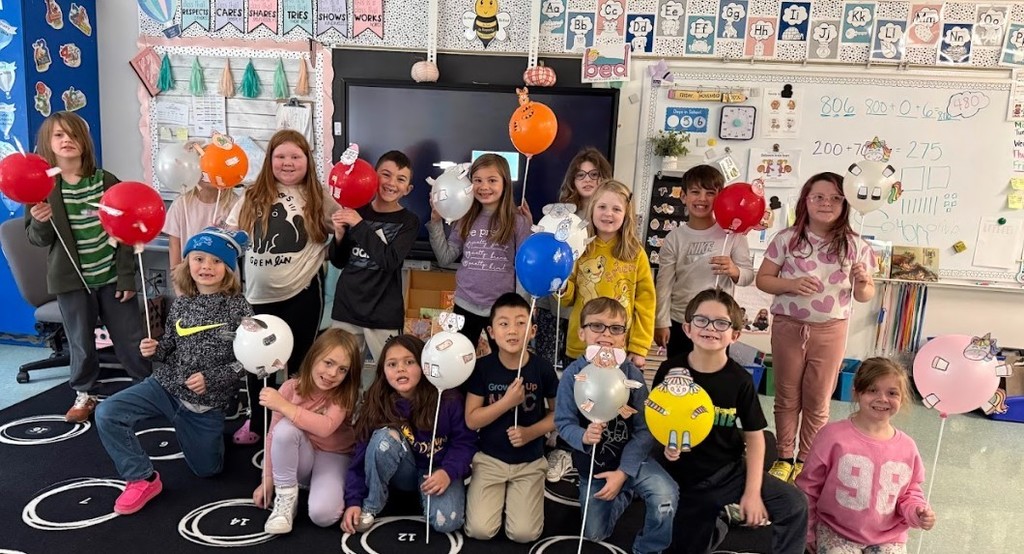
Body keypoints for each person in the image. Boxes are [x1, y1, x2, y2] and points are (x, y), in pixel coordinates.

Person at [94, 227, 252, 515]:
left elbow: (249, 361)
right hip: (164, 387)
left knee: (208, 471)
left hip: (203, 406)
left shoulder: (240, 309)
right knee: (107, 413)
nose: (206, 267)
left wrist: (212, 378)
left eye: (216, 261)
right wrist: (156, 348)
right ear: (187, 262)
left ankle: (195, 434)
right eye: (199, 258)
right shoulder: (181, 303)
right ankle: (142, 478)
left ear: (229, 269)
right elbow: (170, 345)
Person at [652, 289, 807, 554]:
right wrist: (666, 444)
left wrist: (752, 491)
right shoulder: (670, 371)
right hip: (687, 479)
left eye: (721, 323)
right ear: (688, 329)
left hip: (729, 470)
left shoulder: (740, 380)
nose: (710, 328)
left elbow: (756, 436)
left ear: (735, 335)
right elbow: (657, 417)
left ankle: (725, 512)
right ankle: (721, 520)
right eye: (702, 320)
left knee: (795, 505)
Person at [26, 111, 151, 423]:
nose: (67, 140)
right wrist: (42, 222)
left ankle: (147, 388)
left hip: (111, 277)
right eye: (59, 135)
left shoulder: (106, 182)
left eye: (74, 134)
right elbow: (37, 238)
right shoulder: (42, 187)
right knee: (81, 342)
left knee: (130, 339)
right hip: (71, 282)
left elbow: (127, 233)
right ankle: (85, 392)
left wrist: (126, 277)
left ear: (85, 142)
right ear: (48, 143)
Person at [756, 172, 876, 483]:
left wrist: (863, 283)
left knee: (818, 398)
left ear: (846, 204)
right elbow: (764, 279)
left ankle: (808, 459)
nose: (826, 203)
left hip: (831, 330)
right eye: (818, 197)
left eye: (836, 198)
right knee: (786, 395)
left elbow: (864, 295)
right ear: (805, 201)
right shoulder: (787, 239)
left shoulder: (856, 246)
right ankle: (784, 455)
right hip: (788, 326)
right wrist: (791, 284)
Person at [226, 129, 339, 446]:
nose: (287, 163)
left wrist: (345, 226)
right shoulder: (251, 195)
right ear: (269, 160)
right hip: (257, 298)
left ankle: (294, 423)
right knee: (255, 363)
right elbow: (233, 235)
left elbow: (341, 229)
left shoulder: (318, 197)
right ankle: (258, 422)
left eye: (295, 157)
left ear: (307, 160)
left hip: (301, 294)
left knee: (299, 363)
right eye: (280, 156)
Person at [554, 297, 678, 554]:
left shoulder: (632, 375)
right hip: (595, 466)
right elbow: (563, 423)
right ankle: (624, 494)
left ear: (624, 336)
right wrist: (584, 436)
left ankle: (649, 548)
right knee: (595, 533)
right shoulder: (572, 376)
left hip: (633, 461)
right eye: (597, 326)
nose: (606, 335)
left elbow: (645, 430)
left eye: (615, 328)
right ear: (581, 332)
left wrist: (624, 472)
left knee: (666, 495)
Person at [796, 357, 936, 553]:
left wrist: (917, 512)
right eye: (872, 390)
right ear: (856, 392)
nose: (882, 398)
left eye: (892, 393)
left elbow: (910, 493)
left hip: (889, 537)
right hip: (836, 531)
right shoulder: (832, 436)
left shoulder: (907, 447)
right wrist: (807, 531)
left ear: (902, 398)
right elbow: (808, 488)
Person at [341, 335, 477, 534]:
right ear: (383, 371)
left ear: (425, 365)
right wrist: (354, 501)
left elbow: (465, 443)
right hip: (401, 471)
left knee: (447, 522)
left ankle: (425, 498)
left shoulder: (448, 398)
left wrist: (448, 472)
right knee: (383, 440)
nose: (400, 369)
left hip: (437, 471)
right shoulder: (377, 400)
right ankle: (373, 503)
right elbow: (360, 455)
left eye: (409, 362)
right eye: (392, 364)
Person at [463, 293, 558, 543]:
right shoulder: (483, 368)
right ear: (491, 332)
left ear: (533, 330)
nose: (512, 330)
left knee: (523, 534)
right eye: (503, 324)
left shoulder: (543, 369)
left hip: (529, 462)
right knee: (479, 530)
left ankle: (524, 494)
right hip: (489, 460)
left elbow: (558, 415)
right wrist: (506, 403)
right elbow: (472, 420)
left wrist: (530, 433)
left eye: (520, 323)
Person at [252, 328, 362, 534]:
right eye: (328, 363)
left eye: (342, 369)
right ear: (313, 357)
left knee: (323, 516)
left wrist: (283, 406)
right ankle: (285, 498)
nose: (332, 374)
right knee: (284, 430)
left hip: (333, 455)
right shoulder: (289, 388)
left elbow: (325, 427)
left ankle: (308, 487)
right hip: (300, 459)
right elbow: (272, 436)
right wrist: (267, 480)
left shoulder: (345, 393)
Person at [329, 150, 419, 387]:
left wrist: (358, 225)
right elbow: (338, 261)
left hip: (383, 313)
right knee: (342, 377)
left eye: (400, 179)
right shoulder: (355, 209)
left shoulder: (408, 222)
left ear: (408, 189)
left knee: (388, 379)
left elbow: (389, 260)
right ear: (372, 177)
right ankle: (342, 421)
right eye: (385, 175)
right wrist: (339, 236)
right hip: (347, 309)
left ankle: (383, 421)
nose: (391, 183)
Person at [427, 153, 531, 354]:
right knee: (460, 360)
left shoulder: (518, 221)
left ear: (505, 183)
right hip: (465, 305)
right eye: (477, 181)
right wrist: (436, 221)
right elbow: (445, 257)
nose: (484, 187)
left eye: (492, 180)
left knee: (506, 363)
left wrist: (519, 309)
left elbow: (524, 268)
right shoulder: (464, 217)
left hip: (503, 309)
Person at [654, 165, 754, 359]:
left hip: (718, 323)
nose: (702, 199)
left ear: (721, 197)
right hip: (681, 321)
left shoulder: (733, 235)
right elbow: (663, 285)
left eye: (710, 193)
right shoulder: (675, 237)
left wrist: (734, 271)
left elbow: (747, 276)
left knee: (711, 378)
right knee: (679, 377)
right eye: (695, 192)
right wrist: (660, 322)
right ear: (683, 196)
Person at [560, 180, 655, 369]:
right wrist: (561, 285)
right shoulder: (579, 247)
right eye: (602, 206)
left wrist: (638, 347)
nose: (608, 213)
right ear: (592, 209)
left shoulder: (635, 254)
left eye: (616, 209)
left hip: (619, 348)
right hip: (581, 346)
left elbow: (646, 304)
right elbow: (566, 300)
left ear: (626, 214)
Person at [534, 147, 611, 369]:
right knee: (547, 369)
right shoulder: (561, 214)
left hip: (591, 307)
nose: (587, 180)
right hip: (556, 304)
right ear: (572, 179)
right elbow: (546, 257)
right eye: (580, 174)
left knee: (582, 372)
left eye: (593, 174)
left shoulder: (610, 215)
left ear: (603, 177)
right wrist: (539, 300)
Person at [164, 172, 238, 270]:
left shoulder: (235, 204)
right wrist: (177, 280)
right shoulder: (181, 204)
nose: (208, 172)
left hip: (225, 279)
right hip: (189, 277)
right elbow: (174, 245)